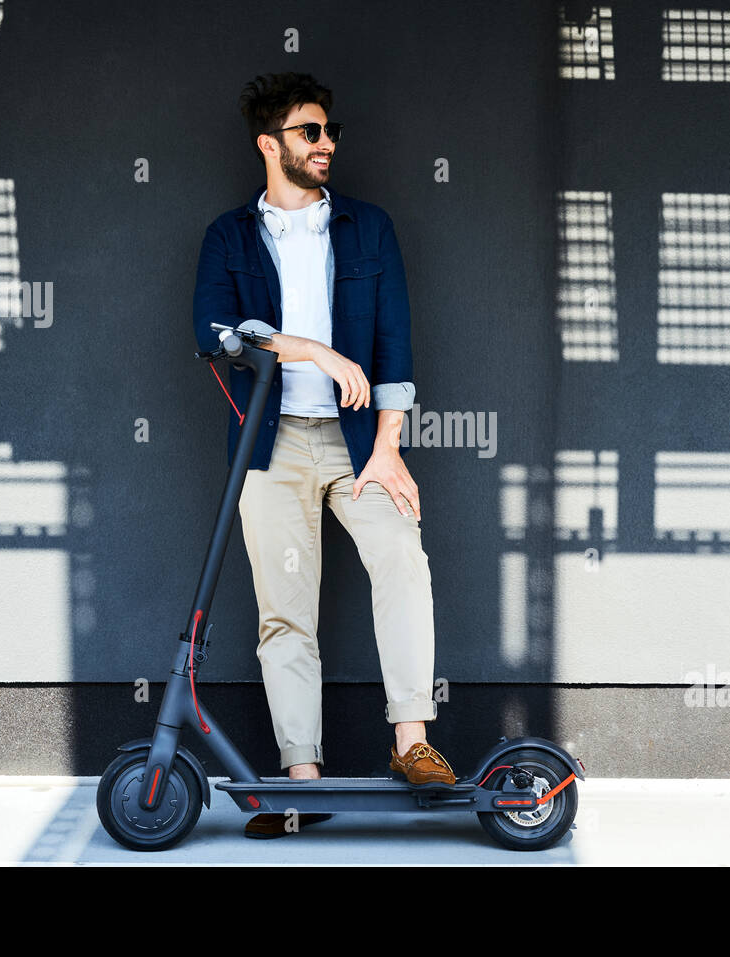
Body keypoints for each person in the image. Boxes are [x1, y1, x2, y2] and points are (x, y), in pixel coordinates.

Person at [192, 72, 454, 839]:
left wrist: (392, 449)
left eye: (330, 130)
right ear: (270, 144)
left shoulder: (367, 227)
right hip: (269, 446)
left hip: (356, 444)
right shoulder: (229, 236)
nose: (328, 143)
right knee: (285, 613)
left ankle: (414, 743)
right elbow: (212, 332)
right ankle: (301, 778)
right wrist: (305, 347)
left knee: (403, 557)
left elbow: (396, 342)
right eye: (311, 132)